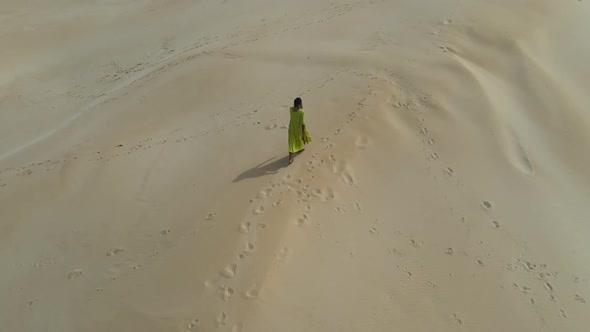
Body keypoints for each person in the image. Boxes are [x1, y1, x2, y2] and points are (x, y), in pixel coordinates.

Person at [288, 97, 312, 164]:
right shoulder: (301, 112)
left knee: (292, 142)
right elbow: (302, 124)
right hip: (298, 129)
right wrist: (303, 134)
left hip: (291, 129)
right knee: (300, 139)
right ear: (299, 105)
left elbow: (293, 112)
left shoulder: (290, 109)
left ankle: (297, 151)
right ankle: (292, 156)